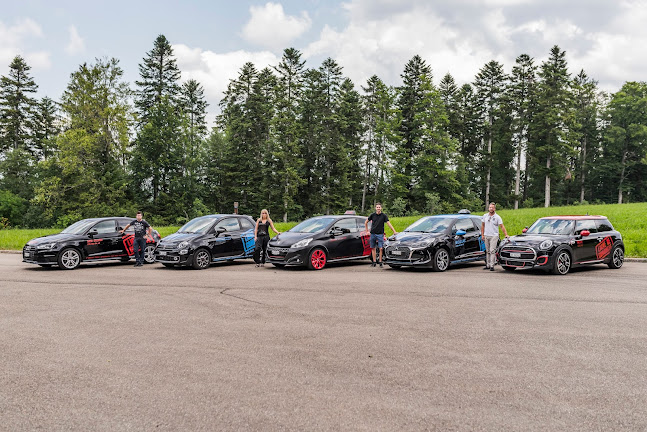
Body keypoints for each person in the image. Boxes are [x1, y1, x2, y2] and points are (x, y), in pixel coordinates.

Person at [364, 202, 397, 268]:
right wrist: (367, 231)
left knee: (381, 248)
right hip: (373, 233)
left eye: (379, 207)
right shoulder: (372, 215)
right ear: (375, 208)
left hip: (380, 234)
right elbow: (366, 222)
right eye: (377, 207)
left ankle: (380, 261)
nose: (378, 208)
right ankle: (374, 262)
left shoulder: (384, 216)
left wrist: (394, 231)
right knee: (373, 248)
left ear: (381, 208)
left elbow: (388, 223)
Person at [481, 202, 509, 271]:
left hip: (494, 235)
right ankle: (487, 264)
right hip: (487, 235)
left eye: (492, 208)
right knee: (487, 251)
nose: (491, 209)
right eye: (490, 207)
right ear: (488, 208)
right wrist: (482, 234)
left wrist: (506, 234)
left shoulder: (497, 217)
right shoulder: (485, 216)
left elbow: (502, 226)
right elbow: (483, 225)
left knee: (492, 250)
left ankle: (492, 265)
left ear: (494, 209)